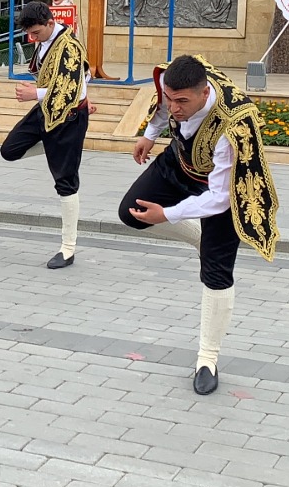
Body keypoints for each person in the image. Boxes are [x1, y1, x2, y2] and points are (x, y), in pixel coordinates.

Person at [118, 55, 280, 395]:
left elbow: (220, 198)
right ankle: (197, 239)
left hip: (227, 187)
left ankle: (207, 358)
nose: (174, 108)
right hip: (179, 162)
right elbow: (163, 103)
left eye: (182, 101)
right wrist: (150, 133)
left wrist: (168, 214)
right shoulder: (174, 83)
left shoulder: (234, 126)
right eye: (170, 98)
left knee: (217, 273)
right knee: (129, 212)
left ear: (204, 94)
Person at [0, 1, 89, 269]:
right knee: (9, 150)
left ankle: (68, 248)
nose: (32, 38)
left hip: (69, 117)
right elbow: (86, 73)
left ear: (51, 22)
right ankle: (54, 148)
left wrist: (34, 93)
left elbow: (69, 84)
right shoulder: (46, 40)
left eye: (36, 33)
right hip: (46, 111)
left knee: (66, 182)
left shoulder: (70, 45)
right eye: (30, 34)